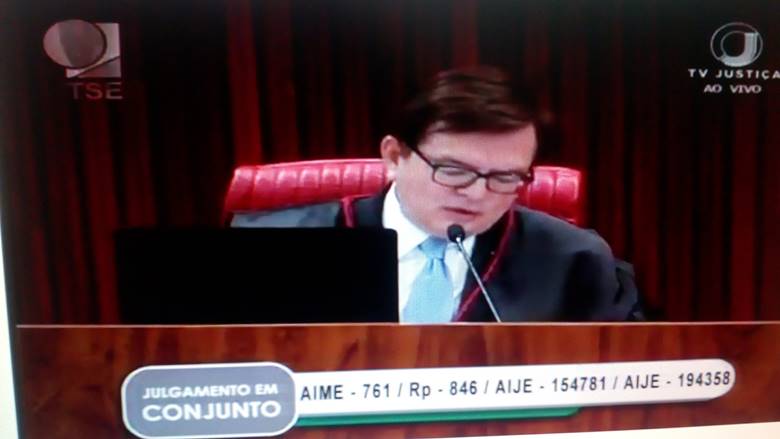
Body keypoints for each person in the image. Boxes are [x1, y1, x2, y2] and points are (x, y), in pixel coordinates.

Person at [232, 66, 643, 323]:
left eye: (505, 177)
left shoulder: (574, 261)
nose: (477, 194)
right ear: (394, 157)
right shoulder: (270, 250)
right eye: (453, 171)